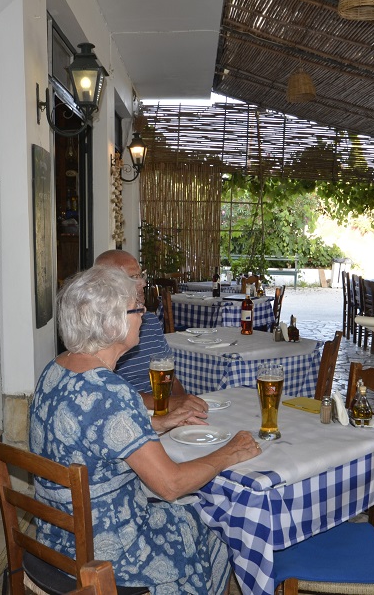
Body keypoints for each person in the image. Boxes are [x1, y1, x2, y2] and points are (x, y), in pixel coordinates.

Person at [29, 266, 260, 593]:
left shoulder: (55, 371)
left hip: (56, 537)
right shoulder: (111, 393)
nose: (144, 315)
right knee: (212, 521)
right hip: (107, 551)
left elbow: (90, 432)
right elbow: (171, 484)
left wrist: (158, 423)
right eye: (136, 308)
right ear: (112, 322)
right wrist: (231, 451)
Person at [95, 249, 210, 431]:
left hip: (162, 417)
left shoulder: (149, 321)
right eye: (133, 278)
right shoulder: (96, 333)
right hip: (130, 418)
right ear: (107, 286)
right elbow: (108, 393)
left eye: (141, 275)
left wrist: (185, 408)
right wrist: (169, 404)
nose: (143, 283)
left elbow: (169, 377)